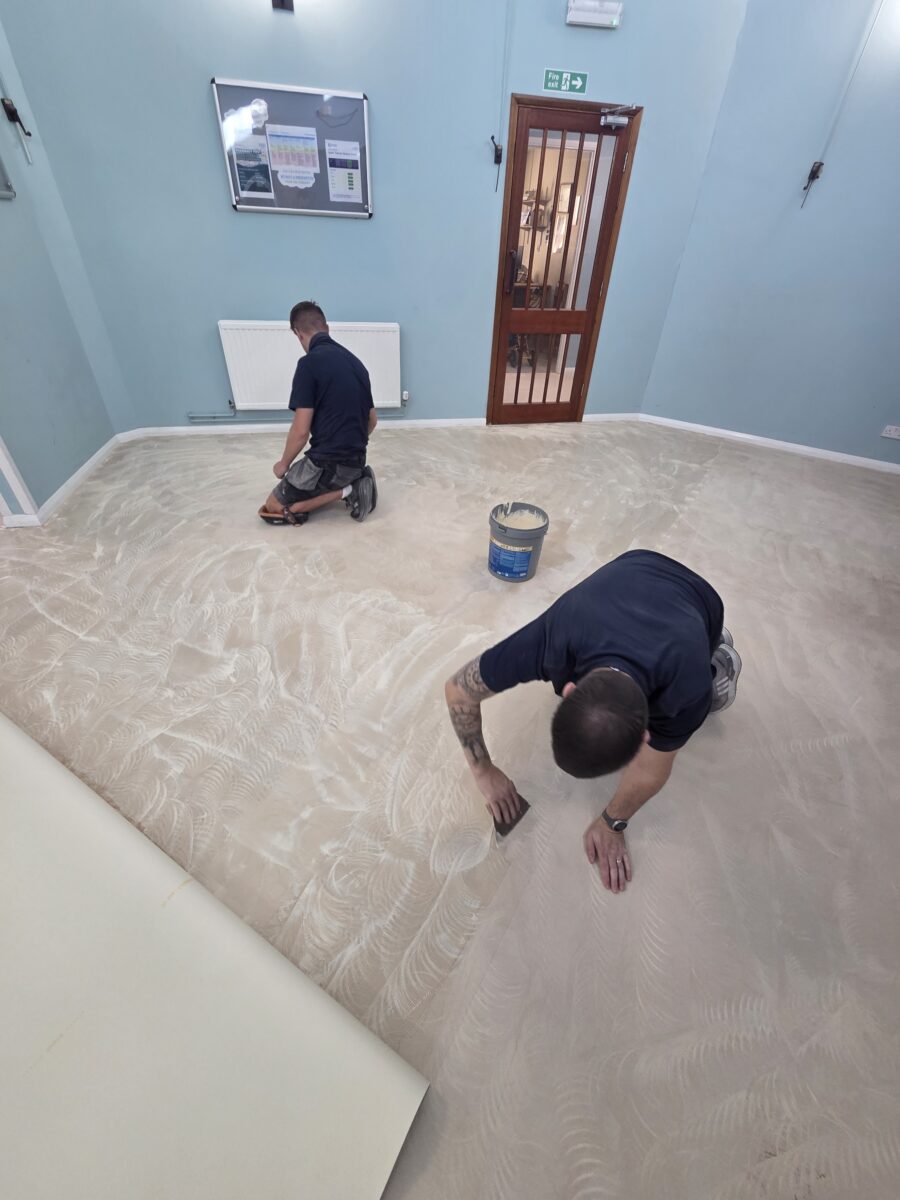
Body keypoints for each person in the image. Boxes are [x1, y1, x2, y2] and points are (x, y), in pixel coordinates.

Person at [444, 550, 742, 893]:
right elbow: (458, 691)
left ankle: (717, 658)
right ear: (570, 689)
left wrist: (613, 823)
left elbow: (651, 771)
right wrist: (484, 771)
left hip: (700, 603)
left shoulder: (685, 687)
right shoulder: (557, 635)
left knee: (707, 702)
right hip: (633, 568)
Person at [260, 301, 378, 526]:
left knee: (273, 507)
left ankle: (350, 489)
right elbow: (372, 421)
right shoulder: (358, 365)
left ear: (298, 333)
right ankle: (356, 478)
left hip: (328, 465)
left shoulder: (309, 364)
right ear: (327, 328)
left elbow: (301, 432)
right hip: (357, 460)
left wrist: (283, 464)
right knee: (303, 489)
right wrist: (351, 444)